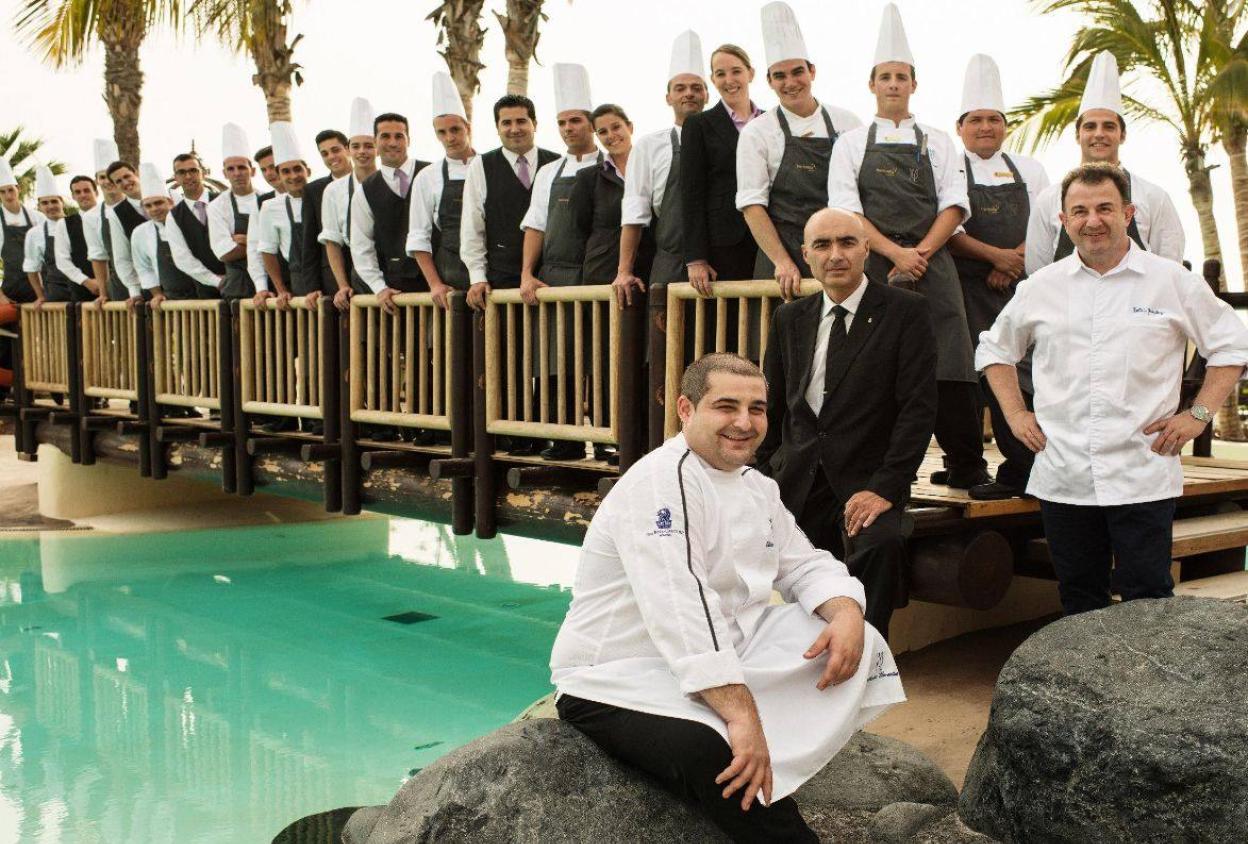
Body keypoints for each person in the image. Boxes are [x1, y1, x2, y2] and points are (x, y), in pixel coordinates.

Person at [552, 351, 905, 843]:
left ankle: (766, 747)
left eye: (756, 409)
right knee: (711, 748)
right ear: (686, 409)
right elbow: (678, 603)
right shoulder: (661, 482)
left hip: (728, 647)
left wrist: (845, 611)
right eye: (726, 407)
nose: (744, 422)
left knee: (858, 639)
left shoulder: (756, 486)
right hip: (619, 673)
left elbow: (803, 563)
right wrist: (739, 714)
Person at [979, 163, 1248, 614]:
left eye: (1105, 208)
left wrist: (1198, 415)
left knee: (1148, 598)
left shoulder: (1172, 281)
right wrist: (1016, 414)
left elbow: (1232, 346)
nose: (1093, 220)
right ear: (1064, 222)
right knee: (1079, 599)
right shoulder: (1040, 287)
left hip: (1143, 471)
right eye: (1079, 211)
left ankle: (1148, 689)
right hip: (1064, 476)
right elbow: (994, 352)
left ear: (1128, 212)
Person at [827, 2, 988, 490]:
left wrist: (919, 253)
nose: (894, 84)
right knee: (873, 364)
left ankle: (967, 465)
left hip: (933, 265)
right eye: (885, 76)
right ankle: (871, 469)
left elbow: (955, 205)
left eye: (902, 76)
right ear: (872, 85)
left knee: (952, 362)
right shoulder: (851, 143)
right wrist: (894, 254)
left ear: (914, 84)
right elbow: (847, 210)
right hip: (872, 265)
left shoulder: (939, 141)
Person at [756, 209, 936, 637]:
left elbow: (918, 409)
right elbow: (773, 406)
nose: (835, 254)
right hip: (798, 477)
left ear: (866, 250)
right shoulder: (789, 318)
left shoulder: (906, 312)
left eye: (847, 243)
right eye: (822, 245)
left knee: (881, 545)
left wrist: (885, 488)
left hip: (867, 478)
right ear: (805, 255)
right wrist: (757, 475)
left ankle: (866, 657)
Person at [946, 55, 1051, 501]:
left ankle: (1027, 465)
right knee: (975, 379)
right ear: (960, 126)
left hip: (1022, 289)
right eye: (976, 120)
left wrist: (1013, 264)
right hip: (967, 291)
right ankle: (970, 464)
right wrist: (997, 259)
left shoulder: (1031, 168)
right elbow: (948, 227)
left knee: (1025, 376)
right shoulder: (949, 166)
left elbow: (1048, 223)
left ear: (1004, 125)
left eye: (993, 119)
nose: (985, 127)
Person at [736, 2, 861, 297]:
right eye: (779, 76)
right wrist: (782, 262)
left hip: (838, 256)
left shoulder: (849, 123)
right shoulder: (757, 132)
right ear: (769, 81)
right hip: (782, 258)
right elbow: (752, 206)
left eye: (797, 72)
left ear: (812, 71)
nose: (790, 83)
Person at [461, 94, 560, 455]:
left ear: (535, 123)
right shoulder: (481, 166)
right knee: (513, 357)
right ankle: (518, 434)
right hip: (502, 277)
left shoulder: (556, 163)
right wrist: (476, 275)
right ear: (498, 127)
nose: (515, 128)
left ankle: (550, 431)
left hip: (550, 276)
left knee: (550, 357)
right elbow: (472, 226)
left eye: (521, 121)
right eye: (507, 122)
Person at [1024, 51, 1184, 274]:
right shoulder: (1048, 199)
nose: (1099, 134)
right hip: (1068, 306)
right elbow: (1037, 272)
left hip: (1136, 306)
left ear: (1123, 135)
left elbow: (1170, 270)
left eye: (1109, 126)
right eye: (1090, 126)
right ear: (1078, 135)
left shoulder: (1154, 197)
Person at [520, 63, 602, 461]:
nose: (569, 128)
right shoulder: (549, 172)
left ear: (592, 123)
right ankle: (563, 441)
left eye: (576, 120)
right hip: (555, 278)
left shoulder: (610, 165)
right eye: (562, 122)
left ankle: (606, 439)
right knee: (556, 363)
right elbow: (535, 225)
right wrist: (526, 274)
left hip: (598, 277)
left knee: (602, 358)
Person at [612, 30, 708, 305]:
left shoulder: (726, 141)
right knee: (665, 345)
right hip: (669, 264)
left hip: (718, 265)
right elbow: (634, 211)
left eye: (696, 87)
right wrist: (624, 271)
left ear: (707, 94)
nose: (688, 93)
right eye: (680, 88)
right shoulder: (649, 146)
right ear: (668, 97)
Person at [681, 43, 762, 289]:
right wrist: (696, 258)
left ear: (751, 73)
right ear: (712, 80)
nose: (729, 80)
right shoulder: (699, 125)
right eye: (720, 73)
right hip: (725, 242)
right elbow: (691, 193)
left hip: (771, 236)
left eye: (736, 71)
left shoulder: (770, 121)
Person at [408, 73, 477, 310]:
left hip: (491, 273)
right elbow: (418, 237)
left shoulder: (489, 167)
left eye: (455, 129)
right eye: (442, 132)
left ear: (467, 127)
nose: (450, 137)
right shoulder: (427, 177)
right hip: (450, 277)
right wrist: (435, 284)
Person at [349, 111, 430, 311]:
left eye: (399, 136)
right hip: (393, 291)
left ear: (408, 140)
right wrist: (380, 288)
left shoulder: (431, 174)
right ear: (375, 142)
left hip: (436, 286)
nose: (392, 143)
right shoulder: (365, 191)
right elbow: (361, 246)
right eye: (385, 136)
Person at [572, 104, 652, 285]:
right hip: (603, 274)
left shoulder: (652, 169)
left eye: (616, 127)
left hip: (649, 270)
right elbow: (580, 227)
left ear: (630, 127)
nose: (611, 135)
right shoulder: (587, 178)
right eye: (602, 132)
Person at [320, 98, 379, 311]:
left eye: (368, 146)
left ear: (378, 148)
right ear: (348, 149)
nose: (362, 151)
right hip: (357, 274)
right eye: (356, 146)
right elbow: (332, 242)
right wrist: (343, 285)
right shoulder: (333, 191)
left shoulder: (390, 183)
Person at [25, 167, 98, 304]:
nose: (51, 206)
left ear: (62, 202)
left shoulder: (73, 223)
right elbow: (31, 268)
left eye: (54, 201)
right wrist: (40, 296)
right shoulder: (34, 234)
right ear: (39, 206)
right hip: (57, 294)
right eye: (45, 203)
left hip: (85, 290)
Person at [207, 124, 265, 300]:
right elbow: (223, 252)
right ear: (224, 173)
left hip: (268, 280)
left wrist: (245, 240)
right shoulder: (217, 206)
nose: (237, 173)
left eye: (242, 168)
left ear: (252, 171)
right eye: (231, 169)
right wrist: (261, 244)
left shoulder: (266, 200)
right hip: (237, 285)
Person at [162, 152, 225, 299]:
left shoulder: (223, 201)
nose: (188, 176)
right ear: (176, 177)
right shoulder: (174, 216)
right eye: (182, 172)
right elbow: (182, 258)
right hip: (205, 292)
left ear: (202, 173)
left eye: (193, 171)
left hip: (240, 283)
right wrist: (216, 281)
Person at [301, 128, 352, 302]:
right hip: (332, 278)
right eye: (325, 153)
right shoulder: (314, 190)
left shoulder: (370, 180)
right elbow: (309, 242)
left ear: (348, 149)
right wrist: (312, 287)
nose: (331, 157)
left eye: (335, 150)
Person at [132, 163, 187, 306]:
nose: (154, 209)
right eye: (148, 206)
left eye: (158, 203)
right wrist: (157, 294)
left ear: (170, 202)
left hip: (201, 296)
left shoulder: (187, 223)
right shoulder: (140, 233)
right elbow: (144, 268)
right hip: (168, 300)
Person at [51, 175, 105, 302]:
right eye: (78, 192)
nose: (82, 195)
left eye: (87, 190)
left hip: (115, 287)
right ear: (73, 196)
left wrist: (106, 283)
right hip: (83, 291)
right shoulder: (64, 224)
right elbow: (62, 261)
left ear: (96, 192)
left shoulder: (109, 216)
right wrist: (86, 282)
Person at [0, 157, 46, 305]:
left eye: (11, 190)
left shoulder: (38, 217)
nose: (8, 195)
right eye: (3, 191)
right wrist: (0, 296)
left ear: (18, 189)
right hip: (12, 290)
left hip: (42, 287)